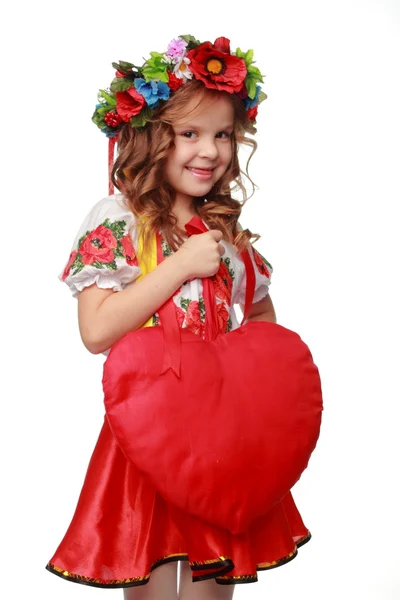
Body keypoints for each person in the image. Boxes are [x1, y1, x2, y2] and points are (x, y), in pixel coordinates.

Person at [46, 35, 312, 600]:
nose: (210, 151)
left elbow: (262, 316)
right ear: (150, 137)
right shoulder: (120, 219)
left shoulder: (227, 235)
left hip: (220, 437)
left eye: (222, 135)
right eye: (189, 134)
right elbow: (96, 331)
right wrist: (181, 265)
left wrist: (248, 377)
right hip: (150, 431)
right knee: (155, 588)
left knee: (209, 593)